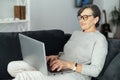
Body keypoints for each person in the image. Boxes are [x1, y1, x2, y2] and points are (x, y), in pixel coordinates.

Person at [7, 4, 108, 80]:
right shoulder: (76, 33)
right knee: (12, 66)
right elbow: (69, 53)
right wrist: (55, 57)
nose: (81, 20)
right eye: (80, 17)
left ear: (96, 19)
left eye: (85, 17)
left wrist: (68, 65)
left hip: (73, 75)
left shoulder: (100, 40)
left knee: (23, 76)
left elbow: (95, 71)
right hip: (58, 67)